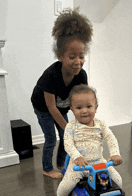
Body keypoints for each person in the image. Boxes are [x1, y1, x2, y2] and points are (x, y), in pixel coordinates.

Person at [31, 8, 93, 179]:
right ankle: (47, 168)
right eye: (72, 57)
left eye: (81, 56)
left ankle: (61, 163)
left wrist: (83, 124)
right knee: (51, 138)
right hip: (44, 108)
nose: (78, 62)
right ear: (60, 56)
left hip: (62, 107)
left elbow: (79, 102)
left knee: (67, 138)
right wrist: (68, 128)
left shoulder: (81, 76)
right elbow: (51, 107)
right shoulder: (50, 76)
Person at [57, 84, 123, 196]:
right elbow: (68, 144)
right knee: (66, 185)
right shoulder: (71, 127)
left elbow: (110, 138)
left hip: (99, 163)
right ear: (72, 110)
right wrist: (77, 157)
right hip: (79, 166)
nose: (84, 111)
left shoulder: (100, 124)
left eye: (88, 106)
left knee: (118, 180)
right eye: (79, 107)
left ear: (95, 107)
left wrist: (115, 153)